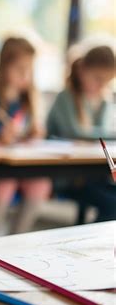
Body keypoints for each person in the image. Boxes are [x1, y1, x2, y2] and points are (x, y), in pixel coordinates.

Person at [0, 37, 51, 236]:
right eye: (20, 68)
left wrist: (35, 132)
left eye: (29, 69)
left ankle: (18, 238)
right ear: (4, 66)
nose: (25, 75)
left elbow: (31, 132)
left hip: (21, 167)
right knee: (3, 184)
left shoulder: (29, 99)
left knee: (41, 184)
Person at [47, 45, 116, 223]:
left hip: (93, 175)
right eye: (97, 79)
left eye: (107, 81)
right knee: (112, 204)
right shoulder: (66, 97)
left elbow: (100, 137)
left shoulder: (103, 101)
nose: (101, 85)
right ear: (82, 70)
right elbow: (76, 133)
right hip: (67, 177)